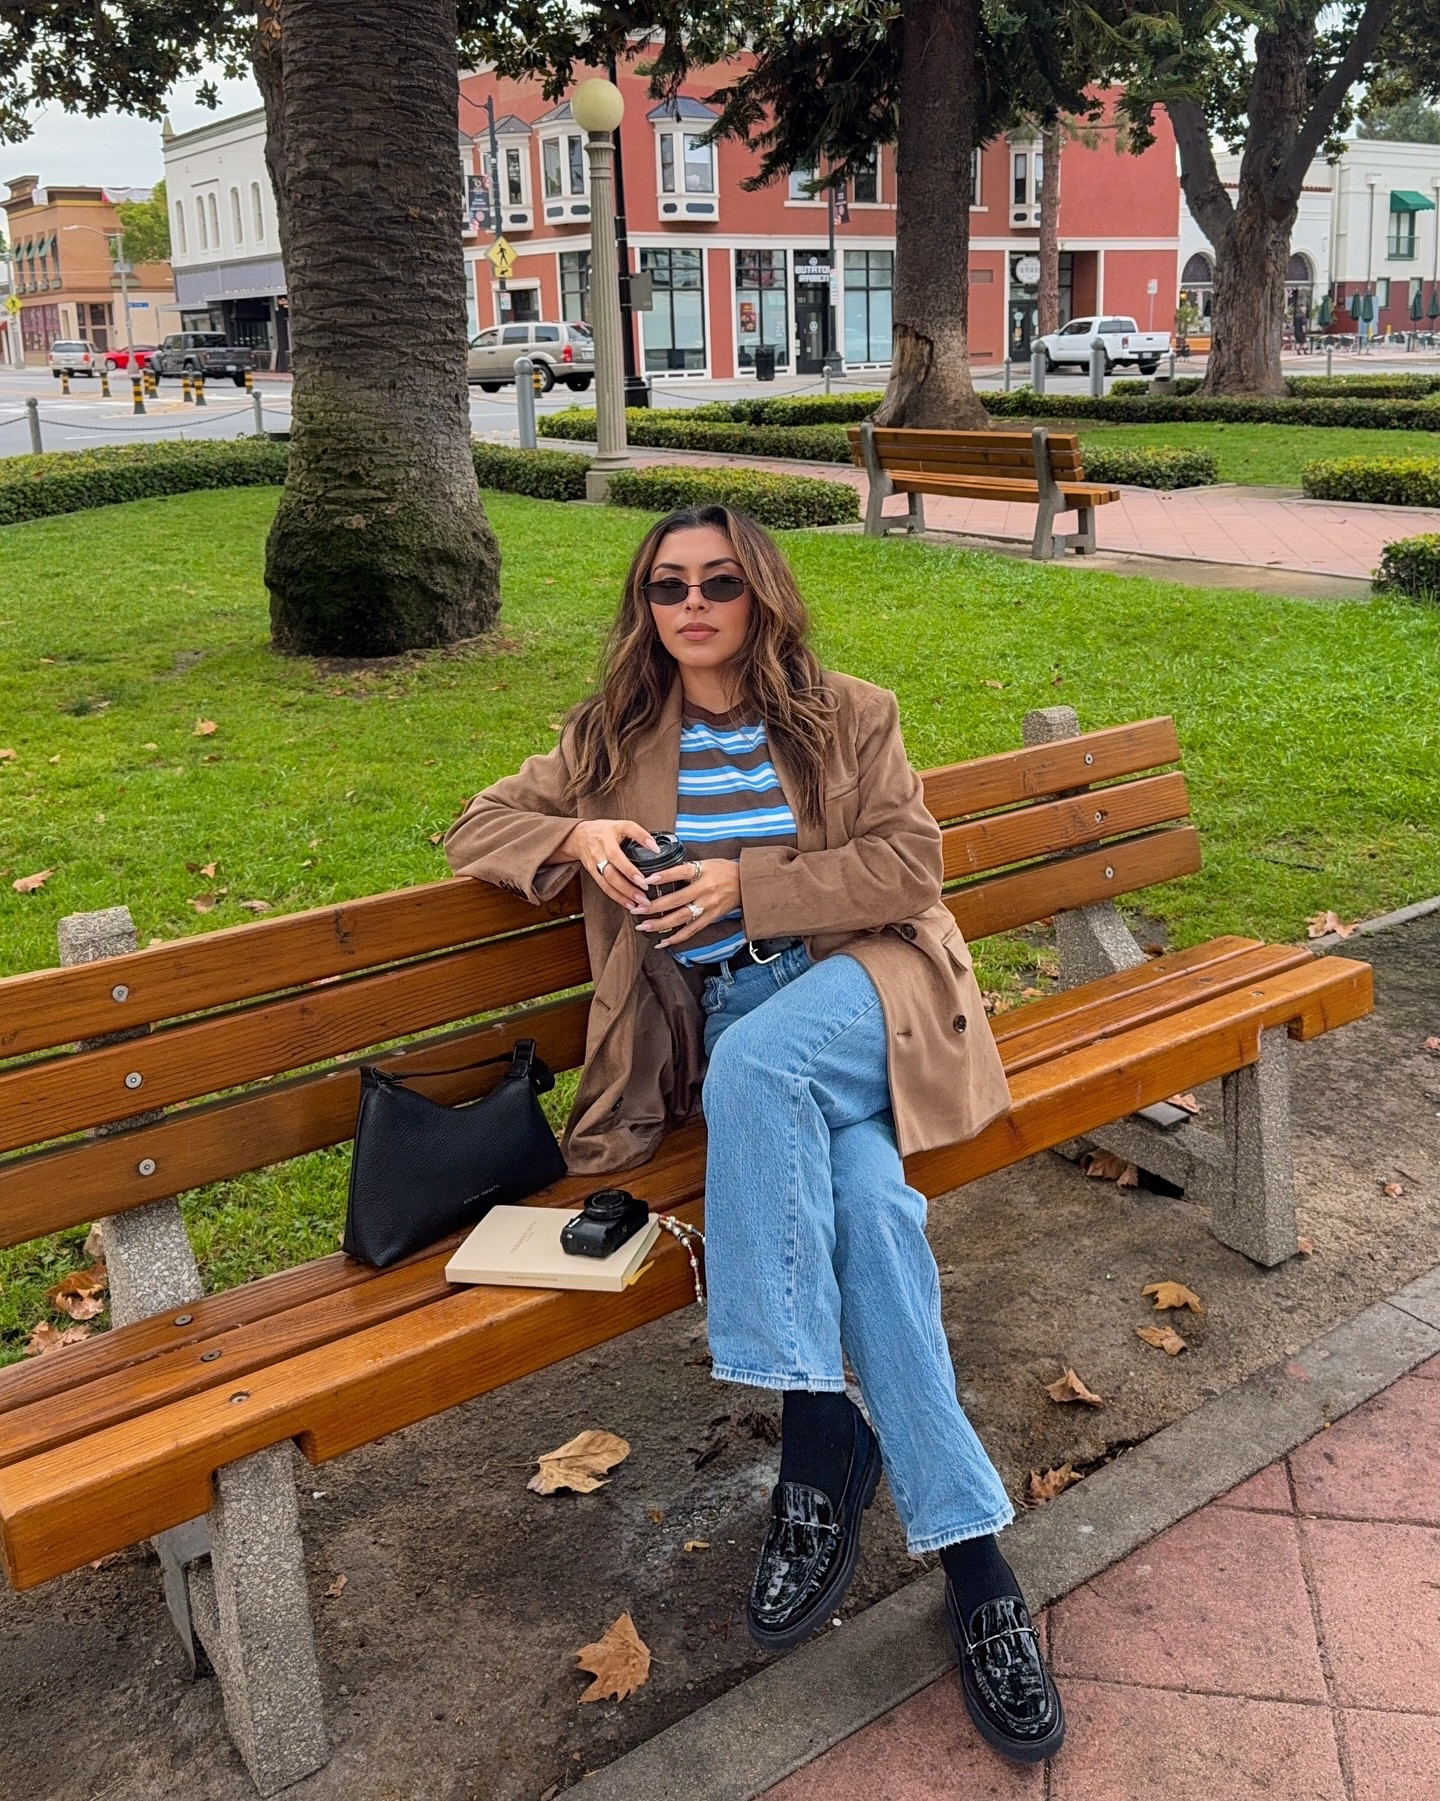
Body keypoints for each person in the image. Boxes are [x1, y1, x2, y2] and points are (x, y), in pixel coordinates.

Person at [444, 506, 1064, 1764]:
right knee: (875, 1220)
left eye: (720, 581)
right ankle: (979, 1570)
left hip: (863, 992)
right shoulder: (610, 740)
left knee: (762, 1064)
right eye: (669, 584)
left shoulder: (847, 714)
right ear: (647, 604)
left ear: (760, 595)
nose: (694, 602)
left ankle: (814, 1440)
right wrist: (574, 832)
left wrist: (751, 887)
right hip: (729, 1030)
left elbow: (909, 868)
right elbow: (472, 828)